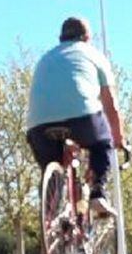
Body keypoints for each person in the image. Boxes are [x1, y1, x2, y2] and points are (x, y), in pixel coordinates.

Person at [25, 16, 126, 216]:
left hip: (37, 125)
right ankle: (98, 192)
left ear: (60, 38)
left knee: (51, 170)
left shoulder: (45, 58)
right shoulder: (94, 55)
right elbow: (110, 104)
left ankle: (50, 215)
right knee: (102, 142)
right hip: (82, 118)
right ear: (87, 37)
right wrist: (119, 138)